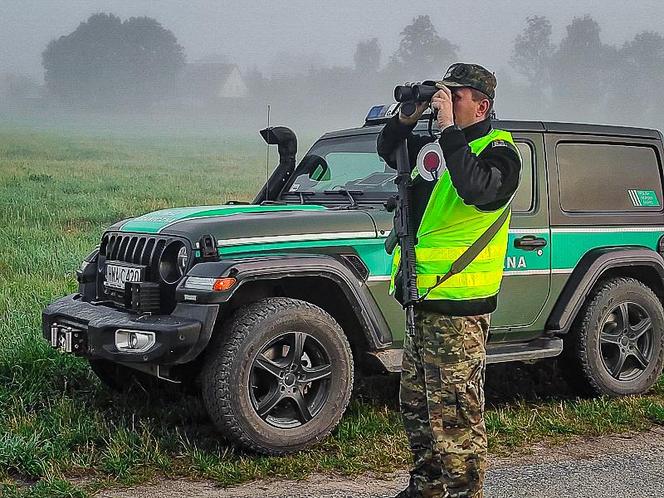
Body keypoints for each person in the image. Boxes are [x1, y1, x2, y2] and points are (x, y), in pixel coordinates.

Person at [377, 63, 521, 498]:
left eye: (454, 96)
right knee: (418, 407)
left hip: (460, 306)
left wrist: (447, 132)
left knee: (455, 415)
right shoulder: (439, 147)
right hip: (422, 299)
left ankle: (463, 492)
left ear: (482, 105)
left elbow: (476, 189)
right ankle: (426, 488)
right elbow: (387, 147)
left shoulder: (502, 153)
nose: (445, 102)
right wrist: (407, 115)